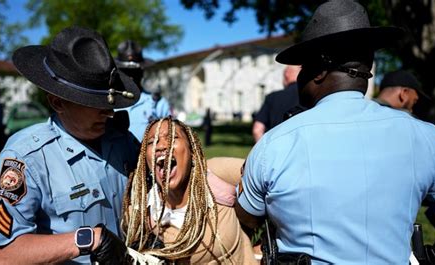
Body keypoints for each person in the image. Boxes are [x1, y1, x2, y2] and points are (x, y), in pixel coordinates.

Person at [235, 0, 435, 264]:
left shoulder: (274, 144)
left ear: (320, 70)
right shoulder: (429, 138)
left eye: (303, 68)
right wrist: (434, 255)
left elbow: (244, 219)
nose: (299, 78)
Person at [0, 26, 141, 264]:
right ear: (57, 102)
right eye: (94, 102)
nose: (110, 111)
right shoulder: (26, 157)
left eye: (107, 100)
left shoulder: (123, 141)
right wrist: (86, 240)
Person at [121, 117, 257, 264]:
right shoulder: (142, 213)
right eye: (151, 142)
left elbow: (270, 175)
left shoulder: (215, 175)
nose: (160, 146)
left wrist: (263, 244)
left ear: (192, 152)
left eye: (172, 137)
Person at [115, 40, 171, 141]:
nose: (131, 77)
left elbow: (170, 133)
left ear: (142, 72)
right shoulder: (110, 101)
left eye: (135, 72)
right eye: (126, 72)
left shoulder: (157, 102)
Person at [252, 65, 302, 142]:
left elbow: (257, 130)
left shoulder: (273, 97)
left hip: (276, 147)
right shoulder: (310, 96)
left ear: (286, 74)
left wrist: (264, 150)